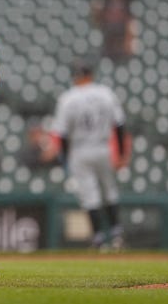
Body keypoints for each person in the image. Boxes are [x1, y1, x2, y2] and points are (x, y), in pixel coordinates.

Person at [49, 59, 129, 250]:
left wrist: (67, 159)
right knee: (109, 190)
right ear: (90, 75)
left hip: (80, 151)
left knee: (90, 196)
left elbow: (62, 134)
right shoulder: (105, 93)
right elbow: (119, 125)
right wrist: (122, 153)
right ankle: (117, 235)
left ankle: (99, 239)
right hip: (103, 148)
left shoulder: (68, 98)